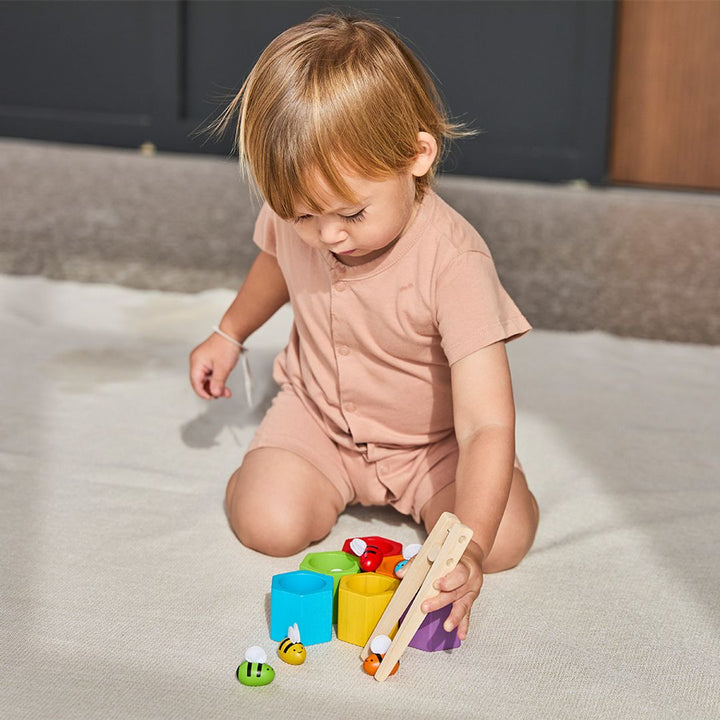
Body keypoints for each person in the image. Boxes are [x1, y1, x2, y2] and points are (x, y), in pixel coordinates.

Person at [189, 12, 539, 641]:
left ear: (417, 155)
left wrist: (470, 547)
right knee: (265, 523)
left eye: (351, 213)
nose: (327, 234)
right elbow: (274, 264)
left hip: (432, 446)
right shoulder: (300, 216)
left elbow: (486, 422)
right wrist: (229, 331)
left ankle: (487, 506)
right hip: (320, 418)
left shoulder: (455, 262)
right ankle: (274, 466)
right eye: (303, 215)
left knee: (504, 536)